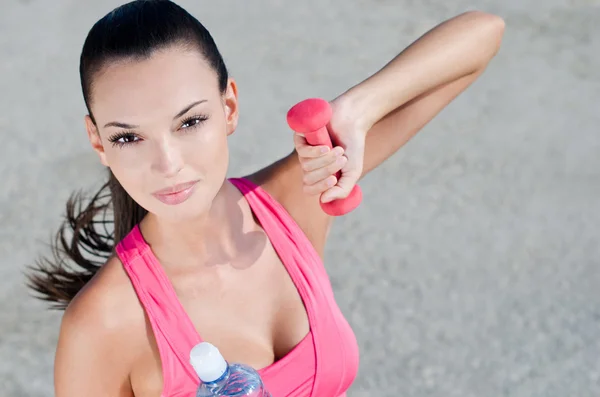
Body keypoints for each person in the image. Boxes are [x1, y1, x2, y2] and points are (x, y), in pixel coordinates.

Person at [26, 1, 505, 396]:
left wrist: (357, 111)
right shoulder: (104, 324)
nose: (168, 163)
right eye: (130, 138)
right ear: (98, 143)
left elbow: (482, 34)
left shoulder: (295, 199)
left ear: (229, 107)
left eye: (190, 122)